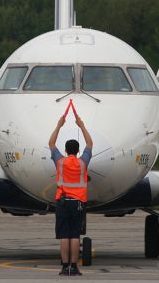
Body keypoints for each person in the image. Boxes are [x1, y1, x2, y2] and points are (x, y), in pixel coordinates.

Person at [48, 111, 94, 276]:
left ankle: (64, 267)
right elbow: (90, 143)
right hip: (78, 203)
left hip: (62, 202)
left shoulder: (60, 161)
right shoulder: (83, 163)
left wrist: (59, 125)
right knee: (75, 235)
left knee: (64, 236)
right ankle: (74, 267)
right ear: (78, 150)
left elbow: (51, 143)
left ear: (66, 150)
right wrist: (81, 125)